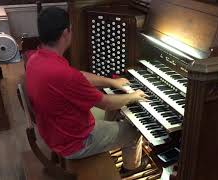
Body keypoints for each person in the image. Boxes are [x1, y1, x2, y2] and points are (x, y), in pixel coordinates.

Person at [25, 7, 148, 177]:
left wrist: (112, 82)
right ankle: (131, 168)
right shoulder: (64, 75)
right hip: (74, 142)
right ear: (66, 33)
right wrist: (133, 96)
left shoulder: (35, 59)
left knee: (117, 107)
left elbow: (78, 75)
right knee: (135, 130)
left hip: (52, 130)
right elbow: (105, 103)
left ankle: (112, 139)